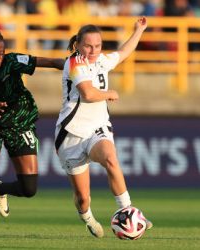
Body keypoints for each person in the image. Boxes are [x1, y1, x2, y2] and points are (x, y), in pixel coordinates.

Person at [0, 28, 64, 237]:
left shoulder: (14, 61)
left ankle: (1, 189)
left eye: (0, 52)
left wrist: (75, 67)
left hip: (20, 122)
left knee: (29, 189)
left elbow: (51, 62)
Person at [54, 17, 152, 238]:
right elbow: (88, 94)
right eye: (88, 45)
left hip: (96, 127)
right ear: (78, 44)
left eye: (97, 45)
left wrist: (139, 30)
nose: (93, 50)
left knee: (110, 158)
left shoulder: (101, 61)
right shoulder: (74, 62)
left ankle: (128, 211)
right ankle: (87, 216)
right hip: (71, 135)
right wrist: (110, 93)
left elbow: (124, 52)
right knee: (82, 198)